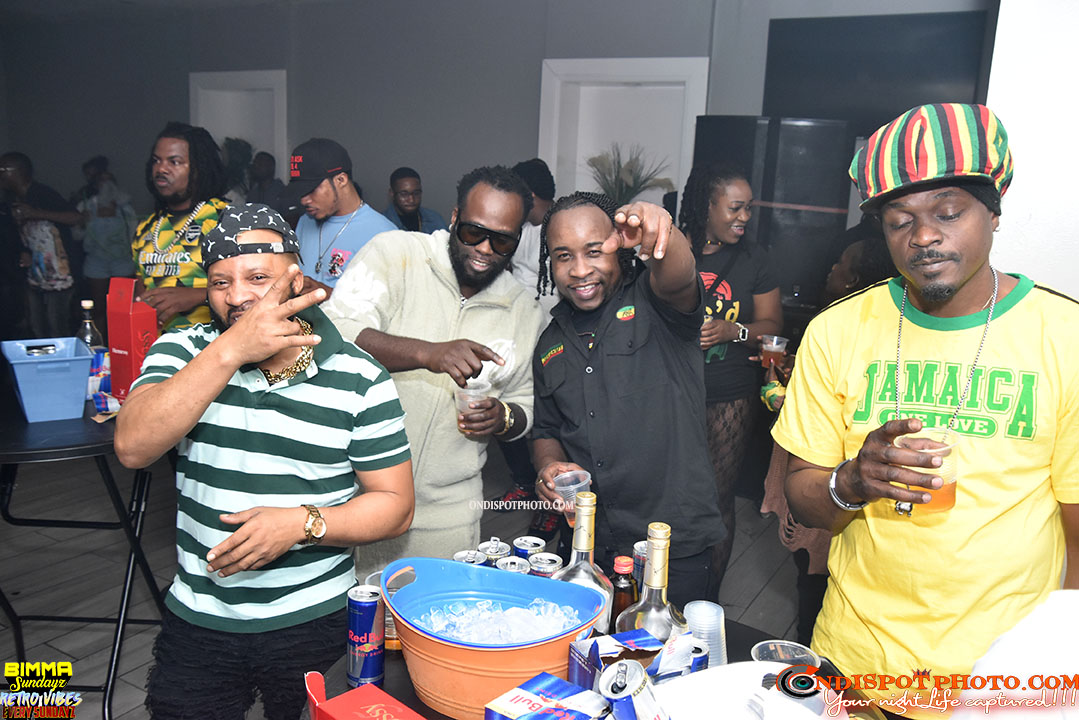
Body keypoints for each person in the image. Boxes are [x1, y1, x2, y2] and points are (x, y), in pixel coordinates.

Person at [772, 103, 1079, 719]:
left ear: (993, 212)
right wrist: (852, 481)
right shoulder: (837, 330)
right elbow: (802, 496)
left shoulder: (1064, 335)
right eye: (899, 220)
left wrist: (1052, 667)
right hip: (854, 666)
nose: (923, 236)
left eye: (948, 212)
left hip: (1002, 681)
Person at [114, 203, 414, 720]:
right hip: (201, 615)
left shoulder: (359, 376)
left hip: (314, 617)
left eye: (257, 277)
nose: (237, 297)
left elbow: (395, 506)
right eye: (220, 282)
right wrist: (230, 350)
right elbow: (133, 447)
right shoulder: (183, 351)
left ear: (295, 279)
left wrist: (302, 523)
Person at [323, 165, 544, 580]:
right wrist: (428, 354)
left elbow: (527, 405)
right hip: (352, 499)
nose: (484, 249)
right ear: (455, 217)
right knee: (351, 619)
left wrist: (503, 417)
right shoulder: (396, 254)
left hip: (448, 515)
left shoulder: (524, 312)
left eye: (502, 240)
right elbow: (335, 334)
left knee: (434, 618)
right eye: (474, 232)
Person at [532, 191, 725, 608]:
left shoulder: (658, 304)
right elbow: (546, 429)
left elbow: (679, 275)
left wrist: (661, 231)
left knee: (670, 648)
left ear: (619, 248)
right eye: (563, 256)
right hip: (590, 546)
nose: (579, 270)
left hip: (671, 546)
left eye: (594, 251)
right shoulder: (549, 343)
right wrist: (549, 466)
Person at [677, 162, 782, 595]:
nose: (744, 217)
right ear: (707, 205)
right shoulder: (674, 249)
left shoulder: (755, 259)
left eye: (748, 208)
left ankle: (707, 598)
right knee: (668, 493)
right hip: (672, 389)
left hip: (728, 392)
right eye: (735, 207)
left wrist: (731, 331)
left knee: (717, 497)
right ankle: (662, 589)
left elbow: (772, 324)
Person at [133, 121, 229, 332]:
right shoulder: (146, 228)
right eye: (156, 161)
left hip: (212, 345)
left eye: (174, 162)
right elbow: (141, 296)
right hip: (158, 347)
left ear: (198, 169)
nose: (161, 169)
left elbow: (253, 288)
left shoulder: (224, 219)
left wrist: (198, 296)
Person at [283, 138, 396, 298]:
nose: (304, 200)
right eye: (300, 192)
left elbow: (390, 303)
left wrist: (329, 295)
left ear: (341, 180)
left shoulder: (384, 234)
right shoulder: (305, 221)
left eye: (311, 190)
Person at [0, 151, 82, 338]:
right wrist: (23, 251)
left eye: (3, 169)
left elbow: (75, 217)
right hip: (35, 274)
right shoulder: (12, 199)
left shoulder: (42, 193)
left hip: (59, 276)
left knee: (57, 327)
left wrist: (36, 213)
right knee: (37, 328)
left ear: (18, 171)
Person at [78, 159, 138, 341]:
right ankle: (98, 342)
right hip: (96, 262)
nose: (106, 185)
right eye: (101, 181)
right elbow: (77, 233)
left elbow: (134, 233)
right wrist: (84, 220)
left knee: (122, 307)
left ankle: (122, 342)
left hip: (122, 261)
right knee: (98, 307)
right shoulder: (87, 206)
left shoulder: (125, 208)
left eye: (109, 180)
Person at [511, 158, 560, 316]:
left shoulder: (561, 229)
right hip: (513, 315)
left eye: (513, 195)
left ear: (529, 196)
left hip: (547, 322)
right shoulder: (521, 228)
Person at [381, 166, 446, 232]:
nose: (411, 200)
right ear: (392, 193)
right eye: (404, 194)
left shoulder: (435, 219)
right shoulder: (382, 223)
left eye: (416, 193)